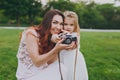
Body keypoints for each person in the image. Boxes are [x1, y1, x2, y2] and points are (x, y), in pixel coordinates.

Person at [16, 9, 75, 80]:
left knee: (62, 68)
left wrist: (58, 42)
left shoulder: (51, 35)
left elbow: (51, 62)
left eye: (61, 24)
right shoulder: (31, 33)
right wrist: (56, 49)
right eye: (55, 22)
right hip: (28, 75)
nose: (58, 27)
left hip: (42, 70)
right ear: (47, 22)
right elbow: (37, 62)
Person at [51, 11, 88, 80]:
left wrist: (67, 35)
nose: (68, 27)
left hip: (72, 60)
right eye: (66, 24)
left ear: (75, 26)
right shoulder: (59, 34)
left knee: (72, 75)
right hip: (62, 59)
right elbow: (54, 37)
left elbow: (71, 45)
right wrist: (56, 36)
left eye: (71, 25)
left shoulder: (75, 35)